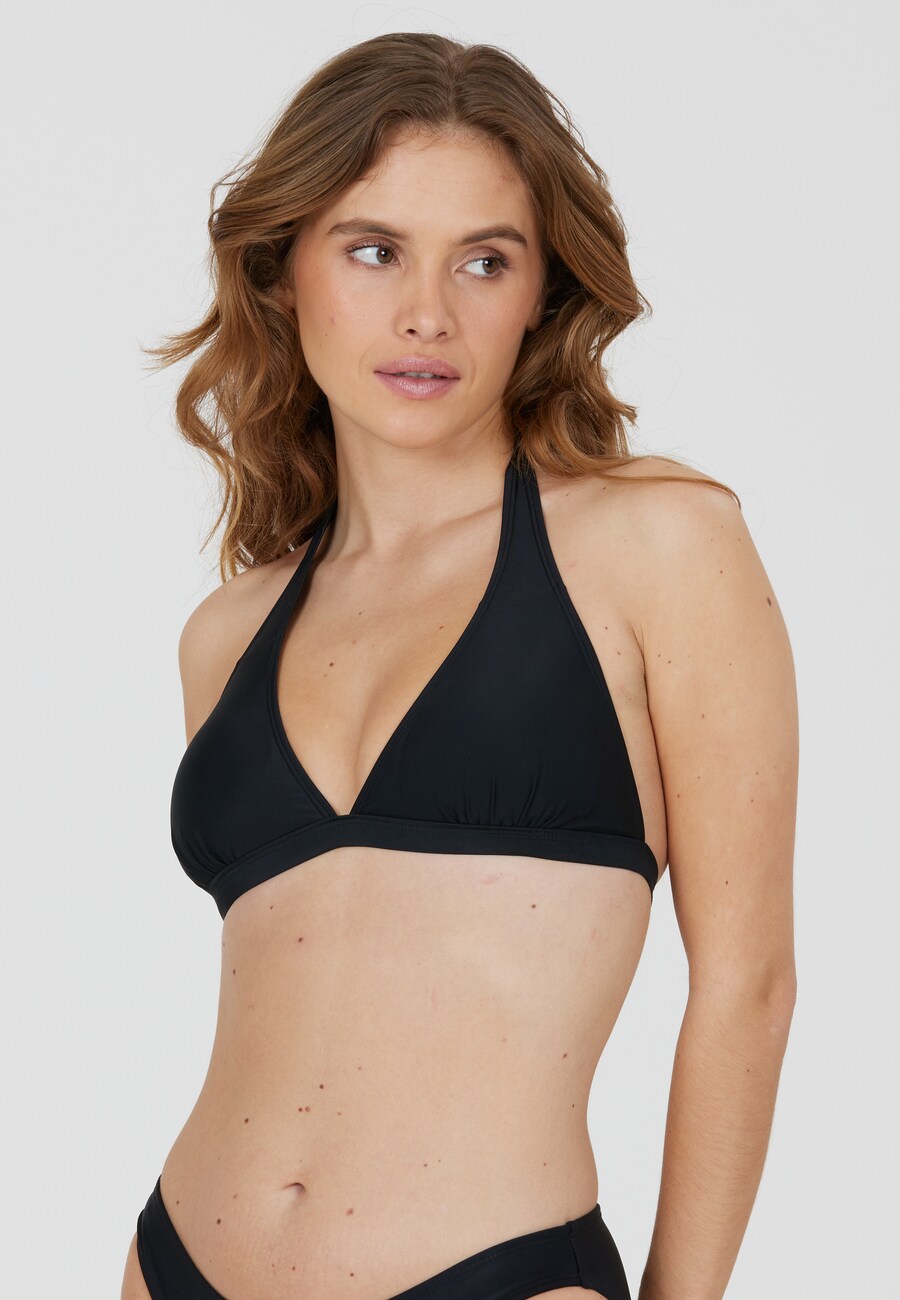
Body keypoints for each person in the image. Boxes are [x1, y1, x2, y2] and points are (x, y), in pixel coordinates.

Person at [120, 32, 798, 1300]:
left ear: (542, 291)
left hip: (494, 1271)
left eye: (484, 259)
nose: (426, 313)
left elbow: (747, 985)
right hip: (179, 1265)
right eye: (373, 250)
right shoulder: (229, 632)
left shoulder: (658, 542)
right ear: (284, 272)